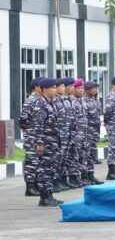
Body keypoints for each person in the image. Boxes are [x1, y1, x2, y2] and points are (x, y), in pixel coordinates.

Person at [32, 79, 63, 207]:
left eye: (55, 87)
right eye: (52, 88)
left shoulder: (51, 103)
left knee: (51, 170)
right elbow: (38, 125)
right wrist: (39, 143)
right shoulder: (41, 104)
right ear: (45, 89)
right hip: (45, 143)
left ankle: (49, 195)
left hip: (53, 142)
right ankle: (44, 198)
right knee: (44, 170)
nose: (55, 90)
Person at [18, 78, 43, 197]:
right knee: (31, 161)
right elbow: (23, 119)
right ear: (36, 87)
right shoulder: (31, 100)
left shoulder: (41, 100)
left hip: (39, 136)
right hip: (31, 136)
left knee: (38, 161)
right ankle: (30, 186)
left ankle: (36, 184)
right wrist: (29, 131)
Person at [82, 82, 104, 185]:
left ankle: (91, 175)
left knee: (92, 154)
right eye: (93, 88)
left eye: (96, 88)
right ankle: (84, 176)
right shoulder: (84, 101)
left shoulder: (95, 100)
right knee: (86, 155)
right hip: (88, 132)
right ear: (87, 90)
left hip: (95, 131)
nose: (95, 90)